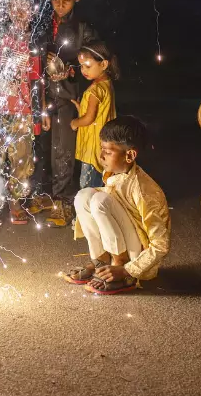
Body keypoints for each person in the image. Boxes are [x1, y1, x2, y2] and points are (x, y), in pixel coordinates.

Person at [63, 116, 171, 296]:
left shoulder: (144, 190)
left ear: (130, 155)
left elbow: (161, 245)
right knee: (84, 195)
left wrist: (128, 269)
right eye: (102, 148)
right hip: (124, 241)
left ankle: (119, 266)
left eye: (108, 151)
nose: (101, 156)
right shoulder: (115, 173)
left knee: (100, 201)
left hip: (137, 258)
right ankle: (101, 260)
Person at [42, 0, 98, 226]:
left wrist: (70, 70)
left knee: (63, 148)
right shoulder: (43, 22)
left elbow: (92, 56)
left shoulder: (82, 26)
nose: (61, 6)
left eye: (66, 1)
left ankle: (63, 200)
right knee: (42, 148)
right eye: (56, 1)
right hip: (42, 93)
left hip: (68, 94)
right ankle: (46, 194)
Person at [0, 0, 40, 224]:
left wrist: (40, 111)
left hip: (24, 109)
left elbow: (36, 79)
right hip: (0, 107)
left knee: (21, 158)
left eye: (25, 9)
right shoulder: (1, 38)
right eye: (15, 9)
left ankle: (15, 202)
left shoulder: (34, 41)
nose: (20, 14)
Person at [70, 41, 118, 190]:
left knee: (87, 186)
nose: (84, 70)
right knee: (100, 183)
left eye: (88, 66)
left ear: (103, 64)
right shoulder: (107, 84)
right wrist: (82, 108)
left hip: (92, 147)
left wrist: (75, 122)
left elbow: (89, 118)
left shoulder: (94, 91)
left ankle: (87, 212)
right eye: (82, 66)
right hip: (104, 144)